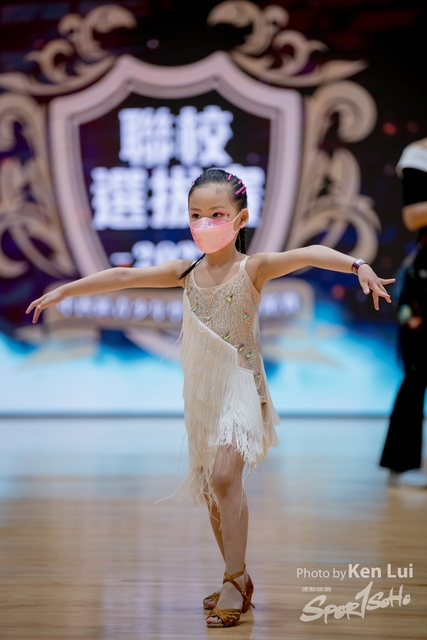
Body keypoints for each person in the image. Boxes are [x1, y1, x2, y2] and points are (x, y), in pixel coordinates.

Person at [26, 169, 394, 627]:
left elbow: (309, 254)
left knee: (223, 477)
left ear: (240, 219)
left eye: (217, 214)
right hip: (203, 394)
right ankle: (237, 576)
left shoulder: (252, 268)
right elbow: (122, 274)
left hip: (242, 388)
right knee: (213, 489)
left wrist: (358, 266)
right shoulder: (185, 272)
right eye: (195, 215)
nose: (205, 223)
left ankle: (233, 582)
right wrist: (66, 290)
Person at [379, 140, 427, 488]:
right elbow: (412, 216)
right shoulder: (419, 155)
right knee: (418, 370)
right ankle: (402, 461)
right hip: (425, 281)